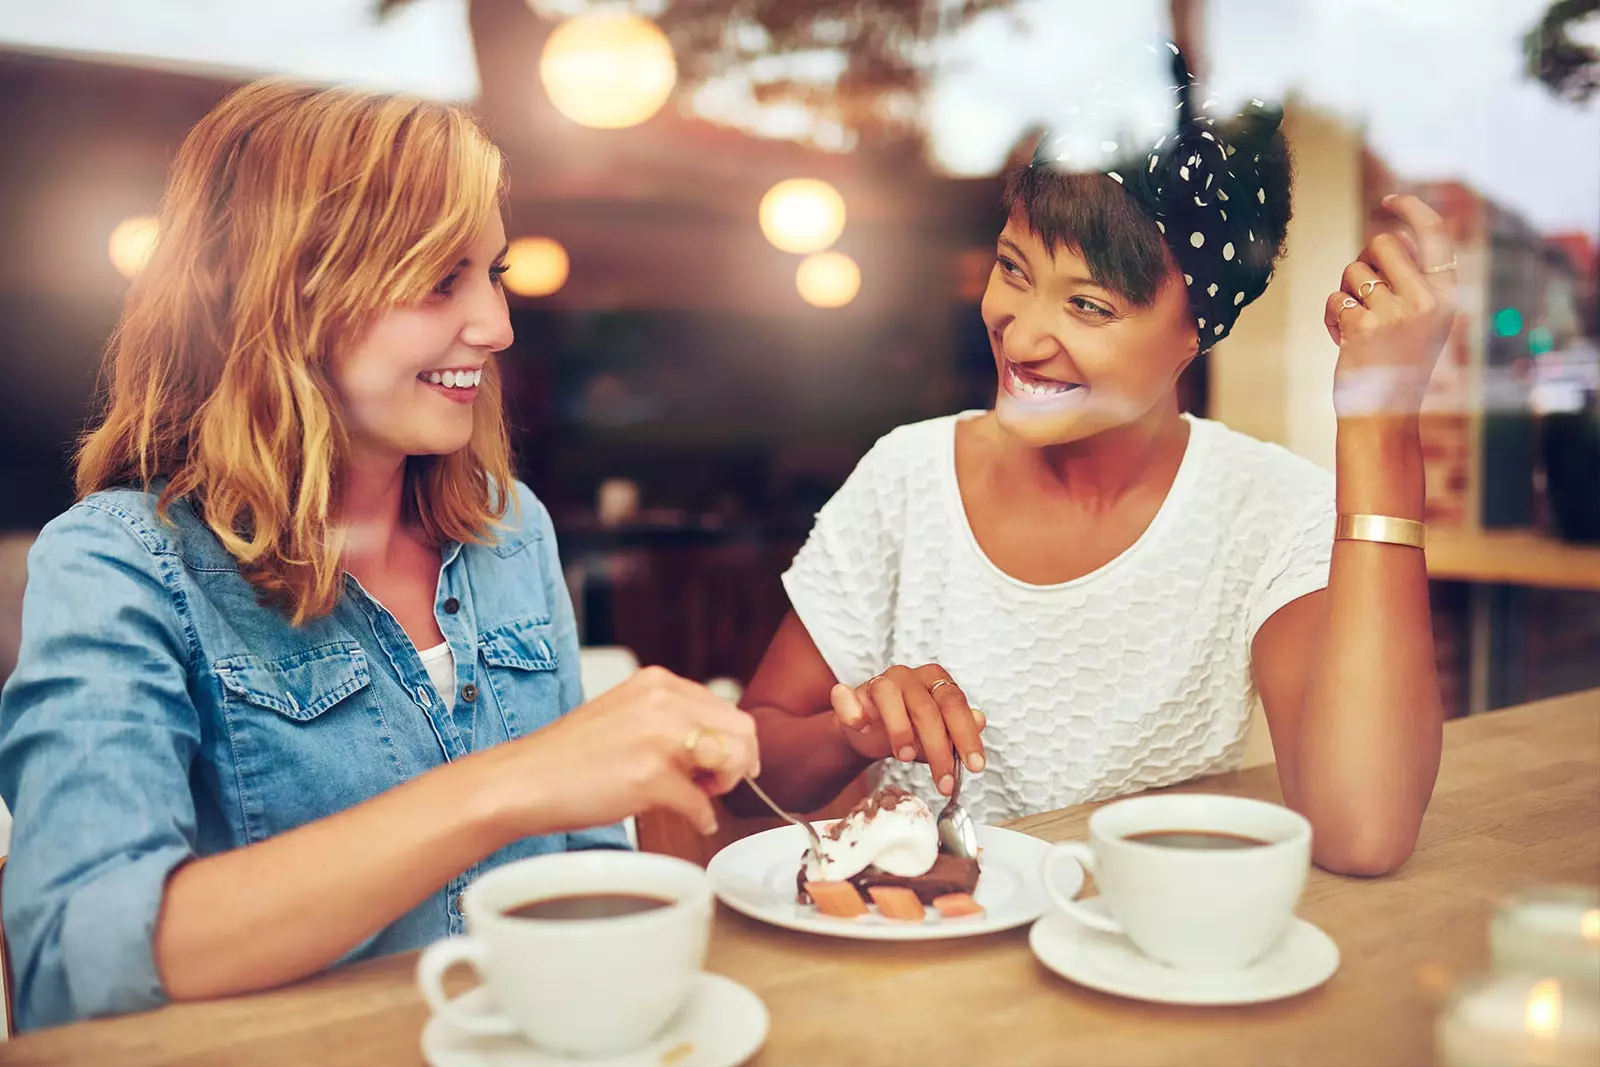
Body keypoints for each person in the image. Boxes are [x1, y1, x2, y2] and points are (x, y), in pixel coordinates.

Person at [0, 81, 756, 1032]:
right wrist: (505, 783)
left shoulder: (509, 527)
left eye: (494, 273)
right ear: (285, 292)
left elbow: (583, 868)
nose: (495, 326)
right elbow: (77, 962)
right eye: (442, 278)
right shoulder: (121, 566)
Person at [736, 50, 1453, 878]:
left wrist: (1381, 419)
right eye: (1014, 270)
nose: (1024, 333)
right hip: (926, 969)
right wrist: (853, 731)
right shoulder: (908, 477)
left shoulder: (1267, 512)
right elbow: (749, 775)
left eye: (1088, 304)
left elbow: (1362, 832)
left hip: (1140, 968)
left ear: (1198, 332)